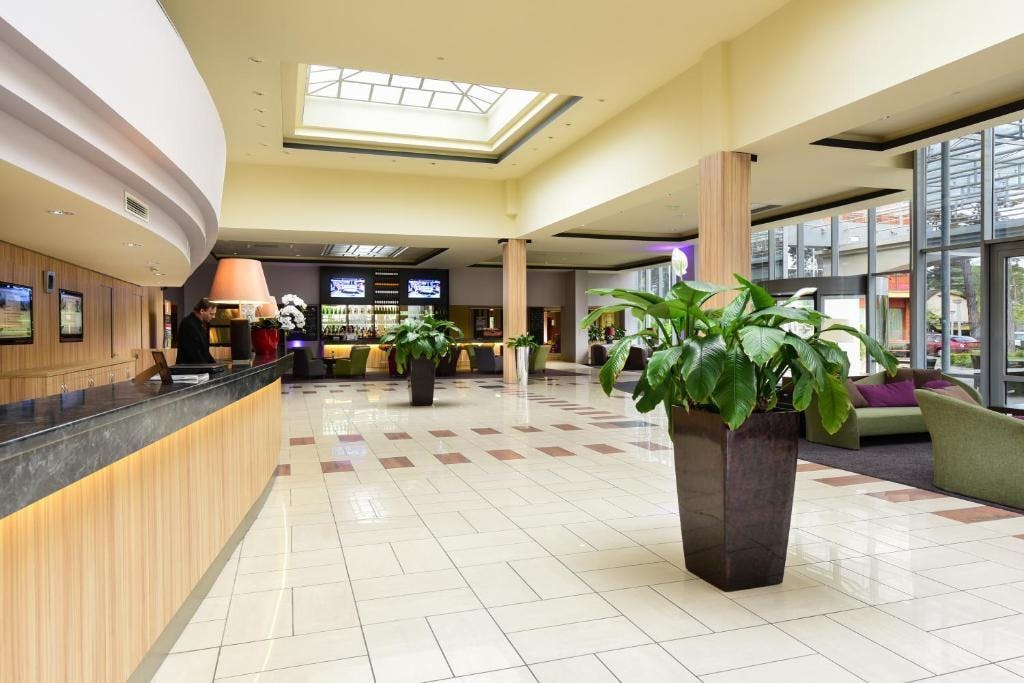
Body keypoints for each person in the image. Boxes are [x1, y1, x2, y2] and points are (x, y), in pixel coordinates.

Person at [177, 297, 217, 364]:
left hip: (197, 367)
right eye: (211, 314)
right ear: (202, 311)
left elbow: (205, 353)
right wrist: (208, 367)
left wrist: (215, 366)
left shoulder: (198, 324)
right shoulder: (188, 324)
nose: (214, 317)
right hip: (189, 369)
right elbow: (195, 354)